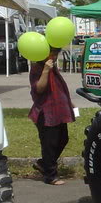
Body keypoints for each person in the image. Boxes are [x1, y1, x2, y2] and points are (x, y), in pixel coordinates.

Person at [28, 47, 75, 185]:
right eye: (52, 53)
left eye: (56, 53)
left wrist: (70, 103)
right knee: (49, 144)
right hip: (45, 112)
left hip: (59, 111)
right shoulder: (37, 68)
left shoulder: (53, 67)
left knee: (63, 139)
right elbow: (39, 88)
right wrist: (46, 70)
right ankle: (51, 176)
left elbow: (60, 88)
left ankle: (43, 164)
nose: (54, 56)